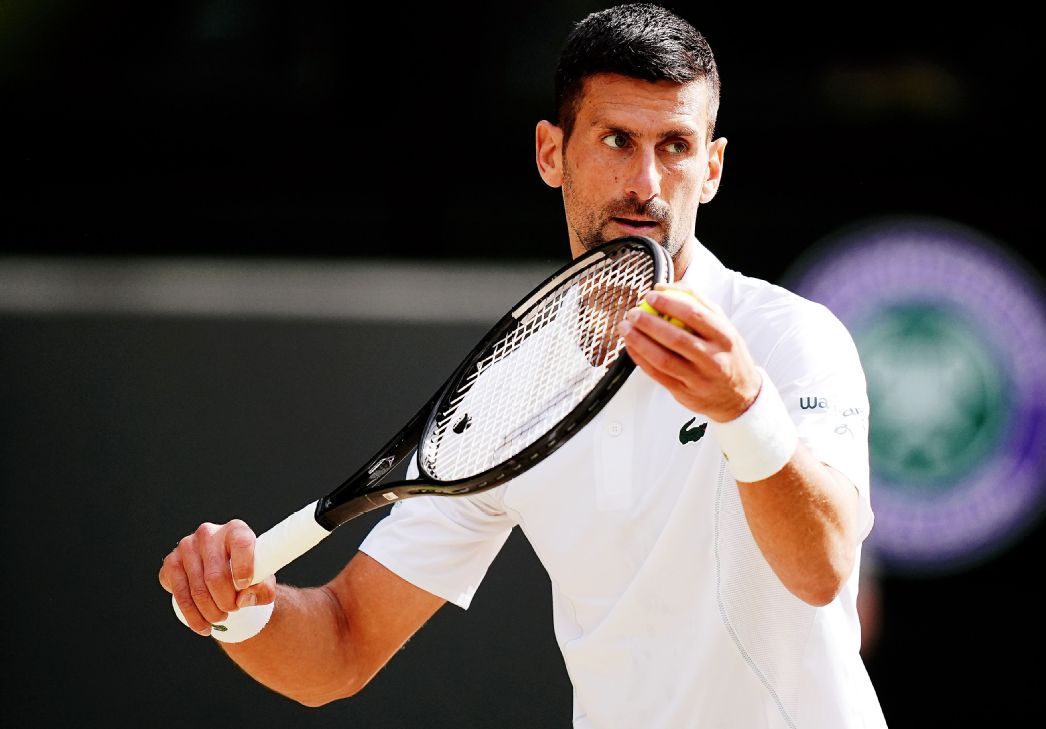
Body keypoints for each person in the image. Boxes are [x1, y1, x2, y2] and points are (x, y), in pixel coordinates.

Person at [159, 4, 887, 727]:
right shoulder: (508, 394)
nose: (646, 182)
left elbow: (821, 572)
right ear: (550, 152)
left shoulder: (790, 338)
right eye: (615, 139)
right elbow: (341, 646)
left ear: (711, 167)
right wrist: (237, 611)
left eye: (674, 146)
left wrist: (743, 408)